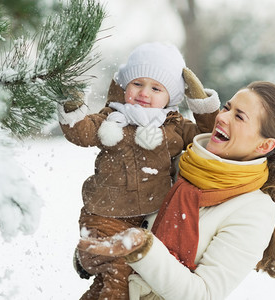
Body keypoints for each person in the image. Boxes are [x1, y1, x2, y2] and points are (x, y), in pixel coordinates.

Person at [77, 81, 275, 300]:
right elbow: (129, 214)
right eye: (227, 107)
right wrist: (100, 251)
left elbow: (203, 293)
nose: (223, 117)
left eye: (239, 116)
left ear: (264, 145)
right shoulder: (178, 163)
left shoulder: (255, 210)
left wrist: (141, 248)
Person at [57, 42, 220, 299]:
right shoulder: (112, 119)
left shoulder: (174, 127)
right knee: (120, 274)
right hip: (104, 217)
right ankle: (89, 253)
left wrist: (201, 103)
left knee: (112, 284)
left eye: (156, 88)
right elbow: (82, 132)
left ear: (171, 97)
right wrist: (71, 106)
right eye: (137, 83)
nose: (144, 92)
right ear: (125, 86)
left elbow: (209, 138)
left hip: (148, 222)